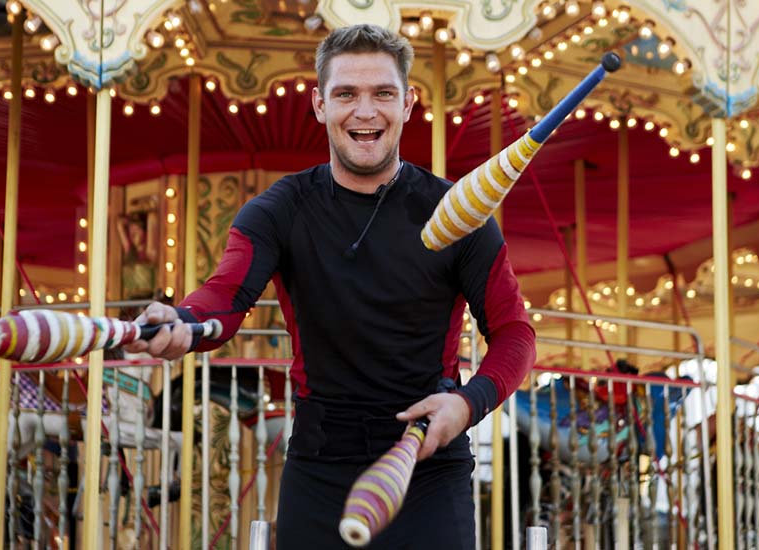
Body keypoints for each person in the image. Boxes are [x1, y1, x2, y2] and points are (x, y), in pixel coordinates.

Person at [125, 23, 535, 548]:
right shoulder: (280, 209)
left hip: (427, 466)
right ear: (320, 105)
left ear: (408, 103)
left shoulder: (461, 212)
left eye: (382, 93)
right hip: (321, 466)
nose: (365, 112)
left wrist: (468, 404)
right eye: (346, 94)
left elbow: (515, 334)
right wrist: (182, 322)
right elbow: (225, 299)